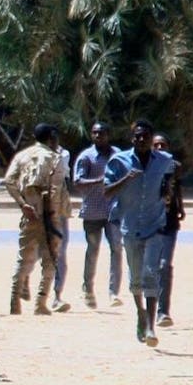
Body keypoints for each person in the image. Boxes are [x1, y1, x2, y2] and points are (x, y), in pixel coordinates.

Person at [103, 119, 177, 347]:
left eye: (145, 136)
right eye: (137, 136)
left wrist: (167, 190)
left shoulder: (164, 160)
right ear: (132, 138)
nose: (141, 139)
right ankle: (140, 313)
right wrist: (126, 179)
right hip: (130, 226)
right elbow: (106, 192)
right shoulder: (119, 161)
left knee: (150, 274)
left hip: (155, 226)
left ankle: (151, 327)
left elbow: (174, 171)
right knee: (136, 278)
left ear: (152, 138)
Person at [3, 123, 71, 316]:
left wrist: (22, 204)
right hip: (50, 216)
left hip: (29, 214)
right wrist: (54, 215)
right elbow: (55, 190)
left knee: (23, 259)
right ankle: (40, 304)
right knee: (50, 260)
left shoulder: (22, 156)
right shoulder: (54, 158)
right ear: (51, 138)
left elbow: (9, 181)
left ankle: (14, 301)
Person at [72, 121, 124, 309]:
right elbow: (78, 182)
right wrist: (99, 181)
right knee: (93, 250)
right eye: (94, 133)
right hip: (92, 211)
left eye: (101, 133)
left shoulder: (117, 155)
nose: (97, 136)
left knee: (117, 249)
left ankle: (114, 293)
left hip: (113, 211)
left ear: (108, 134)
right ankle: (88, 289)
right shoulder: (86, 157)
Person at [152, 133, 185, 328]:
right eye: (156, 145)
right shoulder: (146, 166)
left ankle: (163, 312)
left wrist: (180, 207)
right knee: (150, 268)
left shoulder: (174, 167)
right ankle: (148, 309)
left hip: (169, 224)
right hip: (149, 224)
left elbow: (177, 188)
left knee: (164, 265)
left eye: (163, 145)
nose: (159, 148)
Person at [51, 143, 72, 311]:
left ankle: (57, 295)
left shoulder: (63, 154)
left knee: (60, 252)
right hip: (40, 210)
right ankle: (23, 281)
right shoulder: (32, 156)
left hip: (59, 209)